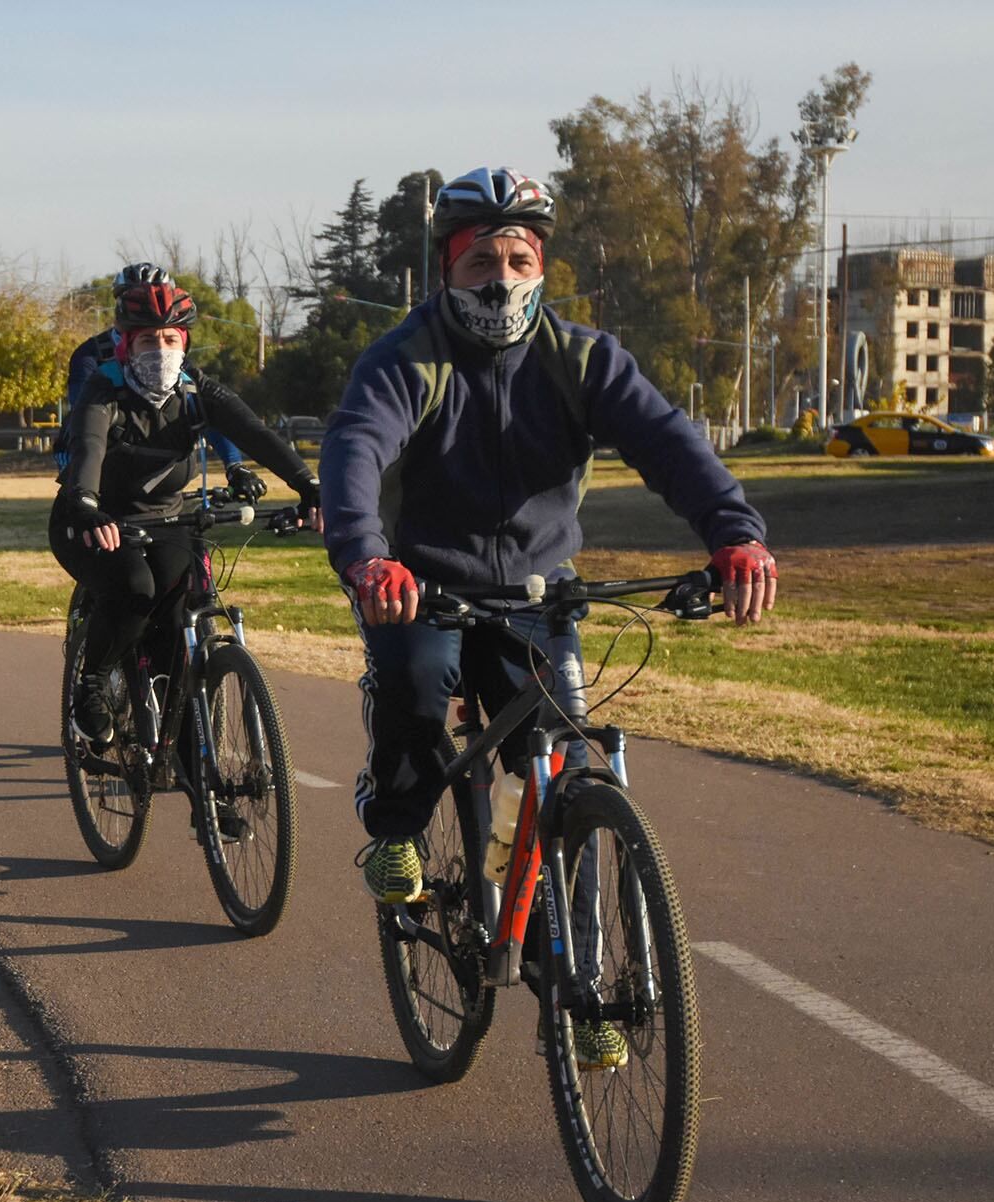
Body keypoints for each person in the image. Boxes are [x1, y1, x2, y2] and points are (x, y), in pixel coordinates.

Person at [320, 167, 776, 1070]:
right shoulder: (407, 358)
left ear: (543, 267)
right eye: (480, 259)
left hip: (538, 593)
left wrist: (735, 535)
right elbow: (357, 450)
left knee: (562, 763)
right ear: (445, 270)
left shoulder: (582, 359)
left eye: (519, 258)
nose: (500, 277)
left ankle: (574, 985)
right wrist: (367, 555)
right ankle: (399, 822)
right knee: (416, 682)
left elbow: (667, 440)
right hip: (424, 582)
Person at [54, 276, 322, 747]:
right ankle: (92, 684)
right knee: (135, 586)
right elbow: (89, 449)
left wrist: (309, 486)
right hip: (93, 522)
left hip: (165, 518)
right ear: (125, 345)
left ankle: (203, 792)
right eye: (146, 340)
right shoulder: (103, 391)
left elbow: (256, 433)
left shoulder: (198, 392)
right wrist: (86, 505)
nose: (159, 349)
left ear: (185, 342)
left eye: (169, 339)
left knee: (176, 628)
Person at [56, 262, 249, 481]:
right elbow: (84, 412)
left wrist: (234, 464)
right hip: (102, 449)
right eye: (135, 299)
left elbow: (207, 410)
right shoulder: (90, 354)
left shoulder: (171, 356)